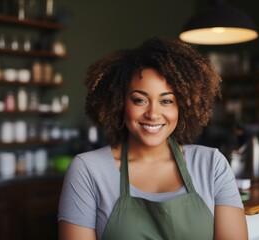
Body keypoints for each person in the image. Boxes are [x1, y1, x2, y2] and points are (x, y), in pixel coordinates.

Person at [58, 37, 248, 240]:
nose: (153, 113)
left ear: (182, 106)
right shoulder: (88, 171)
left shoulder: (212, 165)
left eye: (166, 101)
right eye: (140, 100)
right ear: (121, 103)